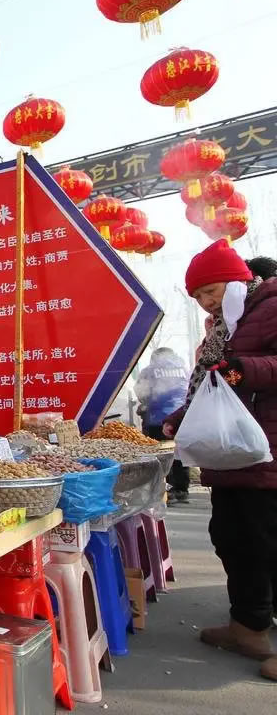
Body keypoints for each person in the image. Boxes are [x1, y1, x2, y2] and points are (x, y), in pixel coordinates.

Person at [162, 240, 277, 682]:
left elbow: (237, 373)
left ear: (238, 279)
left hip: (267, 451)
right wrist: (177, 420)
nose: (206, 302)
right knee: (232, 539)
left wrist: (244, 369)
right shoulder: (221, 327)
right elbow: (207, 386)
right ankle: (248, 627)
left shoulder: (269, 307)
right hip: (229, 458)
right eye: (198, 296)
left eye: (210, 291)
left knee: (269, 544)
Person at [134, 347, 191, 502]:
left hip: (157, 419)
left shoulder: (150, 370)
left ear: (155, 357)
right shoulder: (184, 369)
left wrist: (146, 404)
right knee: (179, 453)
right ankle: (181, 489)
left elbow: (141, 392)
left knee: (160, 454)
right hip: (181, 416)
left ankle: (166, 490)